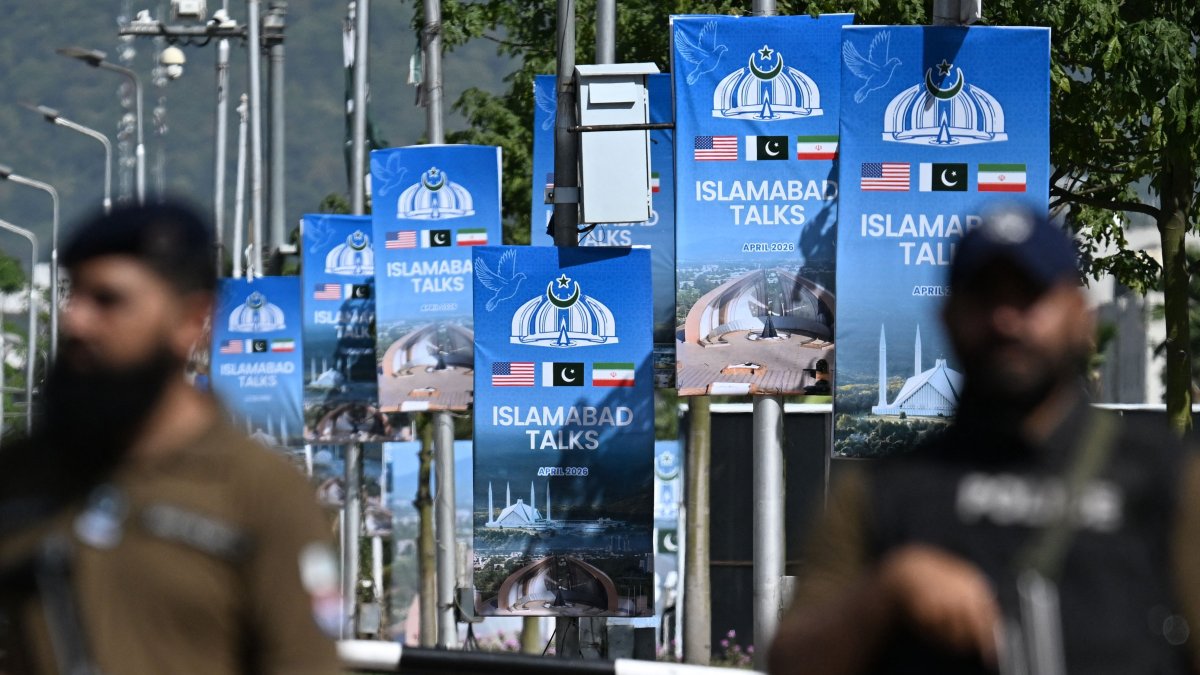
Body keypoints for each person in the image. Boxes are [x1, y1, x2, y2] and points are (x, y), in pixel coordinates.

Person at [769, 206, 1200, 674]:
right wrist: (888, 590)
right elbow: (793, 659)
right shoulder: (884, 491)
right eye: (985, 298)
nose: (1006, 321)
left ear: (1080, 316)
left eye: (1029, 297)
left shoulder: (1165, 476)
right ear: (949, 316)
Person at [0, 202, 340, 674]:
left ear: (190, 321)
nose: (76, 322)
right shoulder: (23, 476)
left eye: (108, 300)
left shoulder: (260, 494)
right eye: (73, 295)